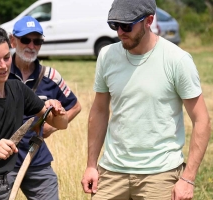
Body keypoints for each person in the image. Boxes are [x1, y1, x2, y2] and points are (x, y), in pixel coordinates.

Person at [81, 0, 211, 200]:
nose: (120, 32)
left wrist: (187, 178)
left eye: (127, 25)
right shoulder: (107, 56)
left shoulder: (177, 60)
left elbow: (201, 120)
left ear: (149, 20)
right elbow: (99, 110)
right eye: (115, 25)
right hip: (112, 171)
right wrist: (91, 165)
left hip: (160, 174)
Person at [0, 16, 81, 200]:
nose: (3, 66)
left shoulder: (18, 89)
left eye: (6, 58)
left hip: (1, 184)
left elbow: (61, 123)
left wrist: (56, 112)